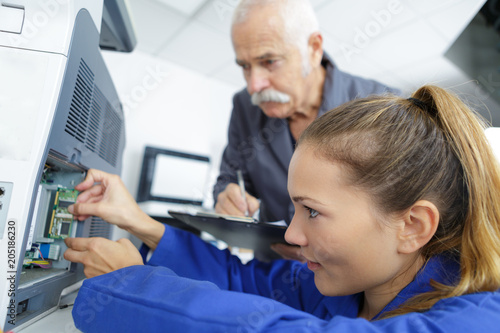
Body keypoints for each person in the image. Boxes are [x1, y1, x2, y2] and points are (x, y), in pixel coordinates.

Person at [65, 85, 500, 332]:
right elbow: (242, 281)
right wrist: (136, 221)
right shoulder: (346, 284)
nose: (290, 236)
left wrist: (131, 284)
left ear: (412, 225)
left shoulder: (482, 319)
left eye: (311, 211)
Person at [213, 0, 399, 260]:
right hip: (273, 271)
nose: (254, 85)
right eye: (244, 66)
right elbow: (229, 178)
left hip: (350, 279)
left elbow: (400, 211)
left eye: (269, 61)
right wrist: (227, 196)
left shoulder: (384, 107)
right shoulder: (244, 106)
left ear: (313, 49)